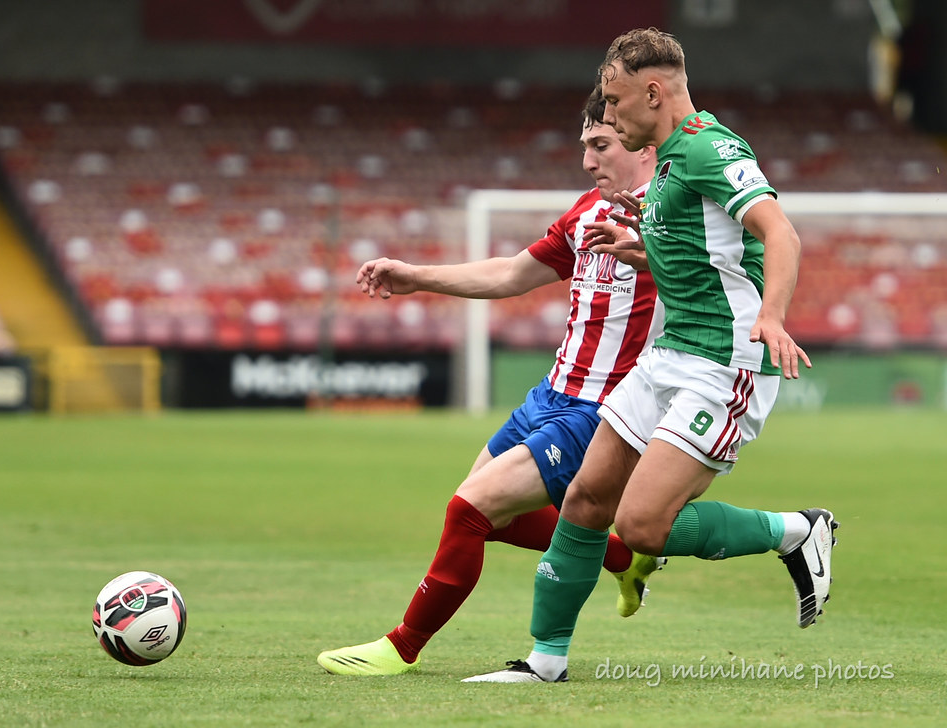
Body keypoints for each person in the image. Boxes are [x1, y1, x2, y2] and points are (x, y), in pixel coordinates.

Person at [464, 28, 838, 684]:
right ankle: (544, 662)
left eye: (615, 102)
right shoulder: (666, 164)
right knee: (585, 500)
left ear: (654, 92)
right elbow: (703, 254)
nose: (608, 115)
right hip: (667, 356)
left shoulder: (709, 149)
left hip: (724, 365)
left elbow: (780, 231)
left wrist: (772, 315)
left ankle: (797, 532)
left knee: (641, 527)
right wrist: (637, 247)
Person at [317, 89, 665, 676]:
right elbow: (510, 273)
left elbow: (727, 277)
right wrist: (415, 276)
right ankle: (621, 555)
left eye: (601, 145)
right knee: (490, 518)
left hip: (603, 409)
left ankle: (400, 647)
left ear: (644, 149)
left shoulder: (676, 217)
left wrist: (655, 253)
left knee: (469, 509)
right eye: (585, 145)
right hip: (549, 395)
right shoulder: (585, 213)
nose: (587, 159)